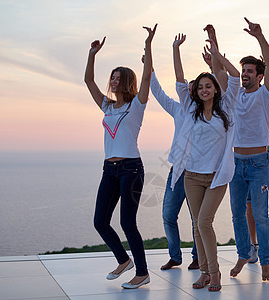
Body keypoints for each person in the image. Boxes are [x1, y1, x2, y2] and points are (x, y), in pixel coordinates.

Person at [83, 24, 157, 289]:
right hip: (109, 170)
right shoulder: (106, 106)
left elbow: (147, 77)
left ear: (127, 82)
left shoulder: (136, 105)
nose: (113, 81)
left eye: (117, 78)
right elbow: (89, 81)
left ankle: (143, 272)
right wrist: (92, 54)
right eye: (112, 77)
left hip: (131, 169)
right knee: (100, 222)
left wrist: (148, 45)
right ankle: (123, 260)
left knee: (127, 222)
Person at [170, 33, 240, 292]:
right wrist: (176, 49)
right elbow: (179, 81)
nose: (203, 90)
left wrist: (217, 56)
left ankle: (215, 273)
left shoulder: (227, 107)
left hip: (216, 177)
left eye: (208, 86)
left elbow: (233, 77)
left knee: (204, 222)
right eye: (200, 87)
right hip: (192, 176)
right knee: (197, 225)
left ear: (215, 89)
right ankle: (204, 273)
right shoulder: (190, 108)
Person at [216, 18, 269, 281]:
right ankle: (244, 253)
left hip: (259, 163)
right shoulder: (235, 94)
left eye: (250, 71)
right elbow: (221, 73)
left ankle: (265, 260)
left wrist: (260, 37)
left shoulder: (266, 95)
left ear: (260, 75)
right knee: (237, 215)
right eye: (243, 71)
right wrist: (216, 49)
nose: (245, 74)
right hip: (236, 163)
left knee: (262, 217)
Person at [149, 65, 199, 271]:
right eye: (188, 88)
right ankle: (175, 256)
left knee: (197, 220)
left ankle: (198, 257)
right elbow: (158, 93)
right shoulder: (178, 109)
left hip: (197, 173)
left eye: (192, 88)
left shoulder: (207, 113)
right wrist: (150, 70)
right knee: (168, 216)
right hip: (176, 172)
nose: (188, 91)